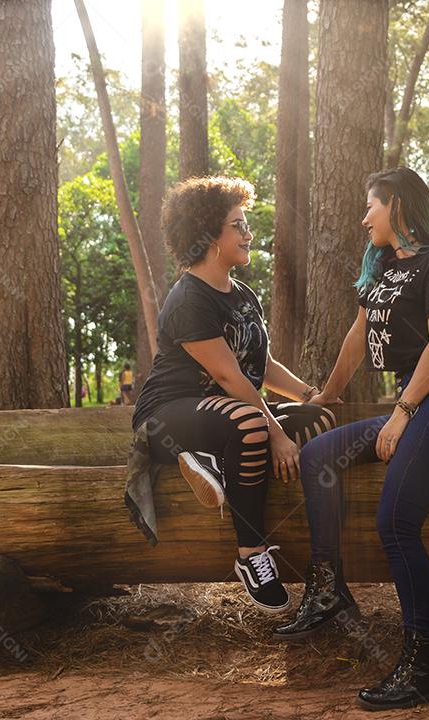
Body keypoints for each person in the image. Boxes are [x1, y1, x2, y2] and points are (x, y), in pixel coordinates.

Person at [274, 167, 429, 711]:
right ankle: (328, 588)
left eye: (370, 206)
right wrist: (324, 395)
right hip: (414, 406)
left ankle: (424, 667)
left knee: (395, 523)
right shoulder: (383, 268)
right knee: (320, 455)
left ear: (394, 204)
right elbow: (356, 337)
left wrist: (401, 414)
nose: (364, 217)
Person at [131, 176, 335, 614]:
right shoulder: (188, 299)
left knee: (318, 423)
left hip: (225, 412)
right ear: (208, 235)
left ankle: (220, 463)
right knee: (250, 423)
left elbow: (258, 365)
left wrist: (307, 394)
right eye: (238, 225)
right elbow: (228, 378)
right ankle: (251, 555)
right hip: (169, 417)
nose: (249, 234)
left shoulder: (243, 295)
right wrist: (275, 432)